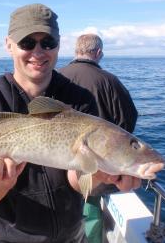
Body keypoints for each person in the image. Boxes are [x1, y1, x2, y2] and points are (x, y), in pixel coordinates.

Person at [0, 3, 141, 243]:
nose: (38, 51)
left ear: (58, 44)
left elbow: (76, 179)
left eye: (48, 43)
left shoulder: (79, 100)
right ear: (8, 44)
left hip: (72, 236)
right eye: (27, 43)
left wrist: (100, 175)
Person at [59, 34, 138, 243]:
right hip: (94, 167)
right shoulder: (110, 82)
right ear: (99, 53)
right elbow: (127, 122)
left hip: (56, 163)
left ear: (76, 51)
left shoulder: (57, 77)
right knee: (90, 212)